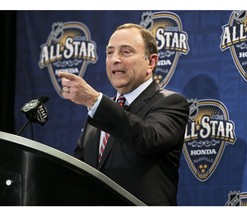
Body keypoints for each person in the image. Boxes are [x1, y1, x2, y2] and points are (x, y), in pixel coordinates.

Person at [58, 23, 189, 206]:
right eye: (110, 53)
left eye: (126, 52)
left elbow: (146, 139)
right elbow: (79, 171)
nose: (115, 59)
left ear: (151, 62)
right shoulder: (98, 112)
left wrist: (94, 101)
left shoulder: (170, 103)